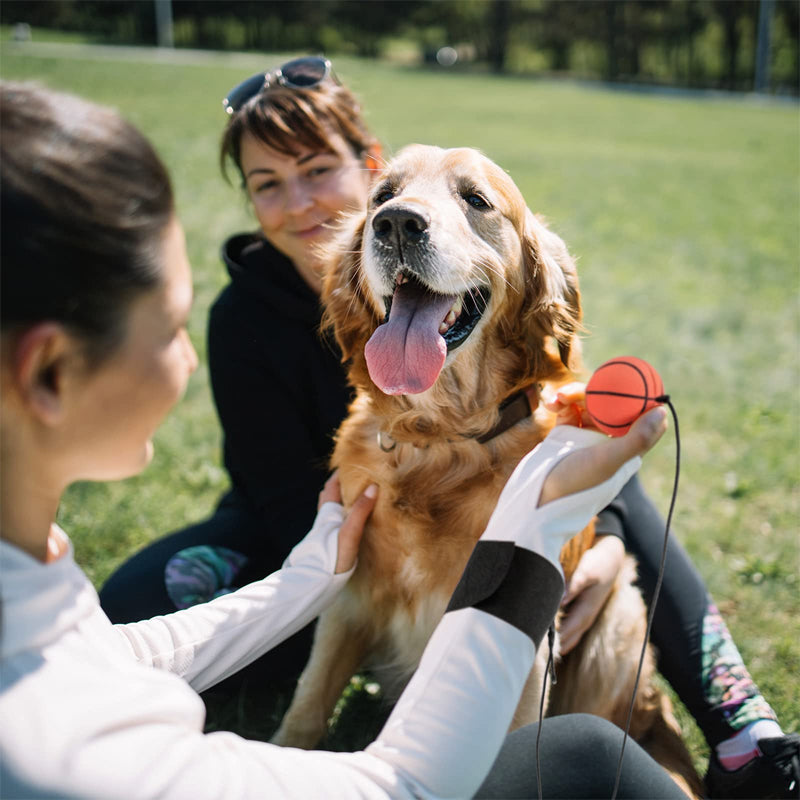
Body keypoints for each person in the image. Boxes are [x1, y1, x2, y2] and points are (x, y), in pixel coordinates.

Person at [96, 58, 799, 798]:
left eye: (318, 170)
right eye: (268, 184)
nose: (297, 201)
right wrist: (346, 552)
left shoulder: (487, 311)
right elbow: (282, 504)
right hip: (294, 531)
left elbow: (575, 462)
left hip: (457, 528)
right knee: (133, 603)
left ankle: (743, 728)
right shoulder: (246, 315)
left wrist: (594, 543)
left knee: (617, 506)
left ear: (364, 166)